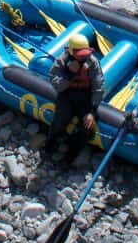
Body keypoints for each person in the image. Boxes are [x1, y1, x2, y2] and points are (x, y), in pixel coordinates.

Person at [44, 32, 104, 163]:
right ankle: (49, 147)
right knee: (60, 121)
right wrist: (69, 74)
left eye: (85, 54)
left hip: (85, 97)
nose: (83, 57)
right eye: (80, 55)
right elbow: (57, 85)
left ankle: (70, 153)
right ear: (71, 52)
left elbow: (98, 87)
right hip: (67, 94)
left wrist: (92, 111)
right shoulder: (62, 61)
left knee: (88, 129)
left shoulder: (93, 62)